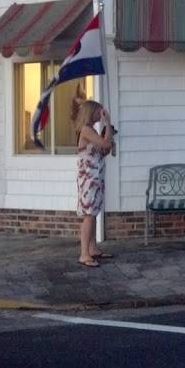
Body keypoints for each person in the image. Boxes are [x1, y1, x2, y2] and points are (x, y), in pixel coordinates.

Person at [75, 100, 116, 268]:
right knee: (89, 215)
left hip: (96, 177)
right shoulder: (85, 130)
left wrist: (108, 134)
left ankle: (92, 249)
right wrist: (108, 123)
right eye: (99, 111)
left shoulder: (92, 130)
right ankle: (84, 254)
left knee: (94, 213)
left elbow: (103, 150)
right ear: (91, 112)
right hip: (88, 179)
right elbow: (104, 143)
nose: (101, 114)